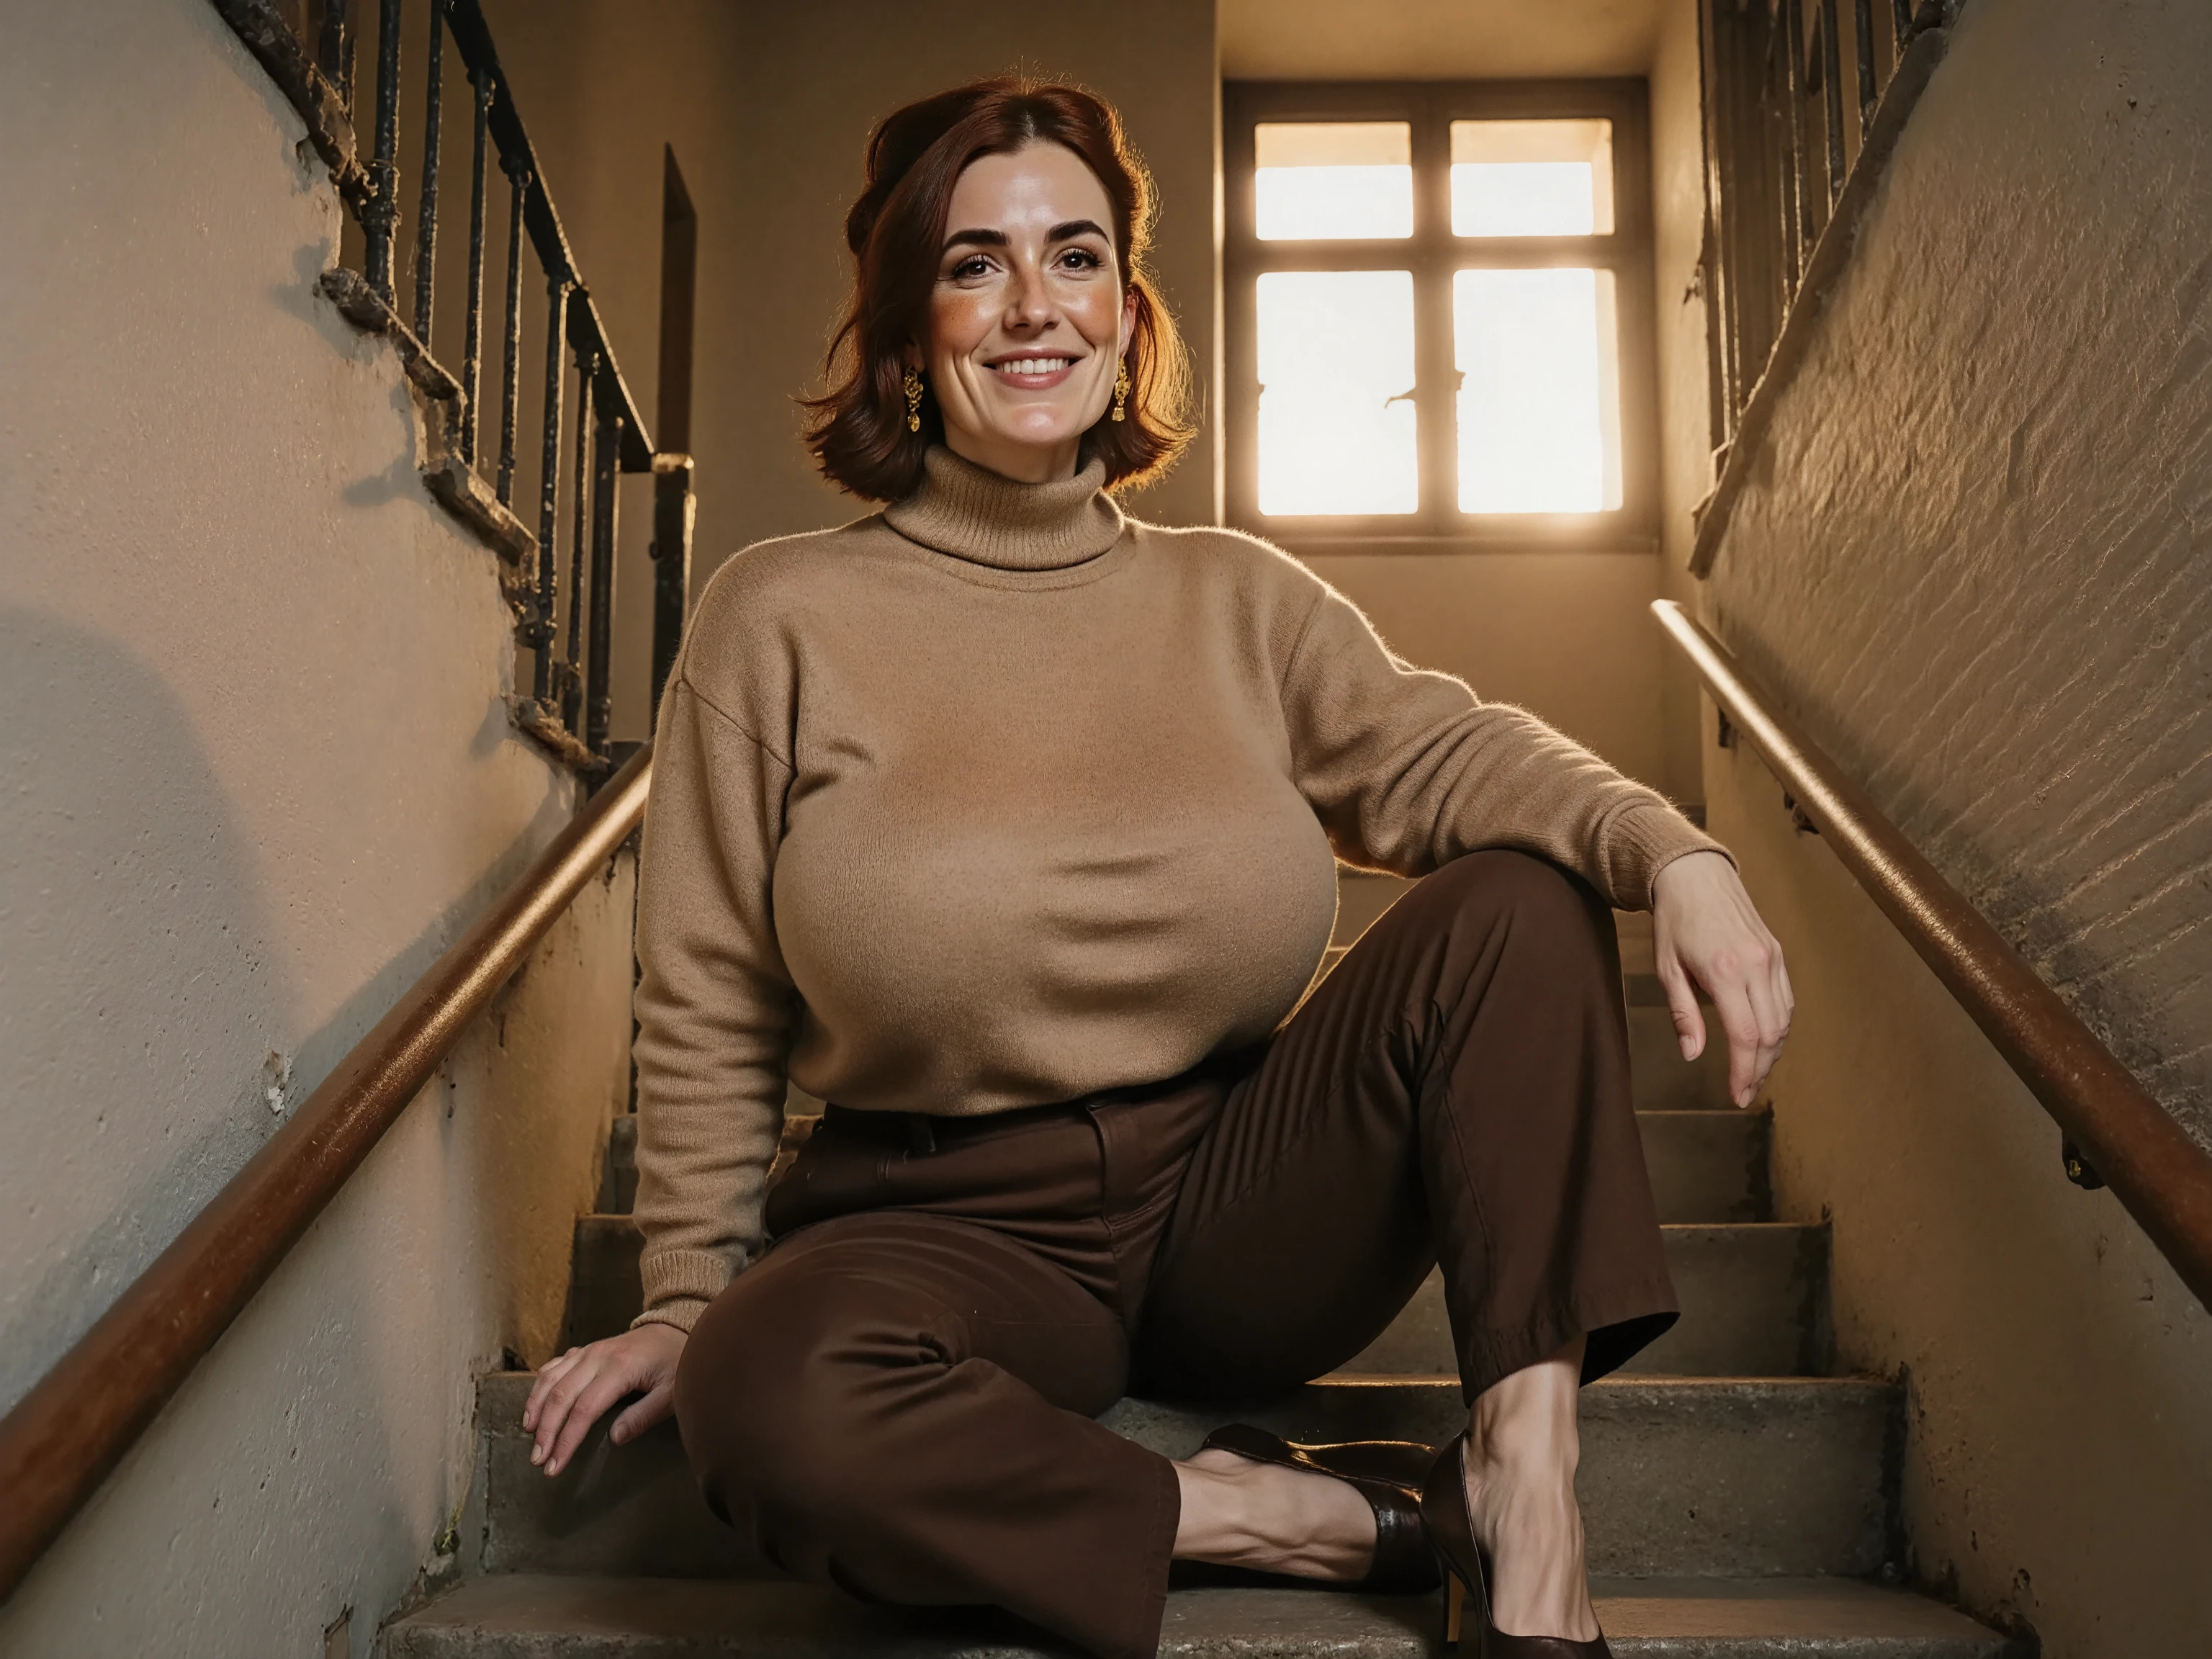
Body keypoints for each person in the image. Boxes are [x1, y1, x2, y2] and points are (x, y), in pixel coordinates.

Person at [521, 77, 1791, 1659]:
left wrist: (1676, 854)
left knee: (1520, 898)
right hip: (944, 1224)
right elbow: (705, 990)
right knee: (766, 1394)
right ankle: (1311, 1516)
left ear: (1128, 312)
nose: (1033, 306)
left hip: (1241, 1199)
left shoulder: (1239, 603)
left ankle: (1527, 1494)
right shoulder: (777, 619)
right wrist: (687, 1301)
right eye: (975, 263)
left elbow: (1453, 759)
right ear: (908, 328)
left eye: (1075, 257)